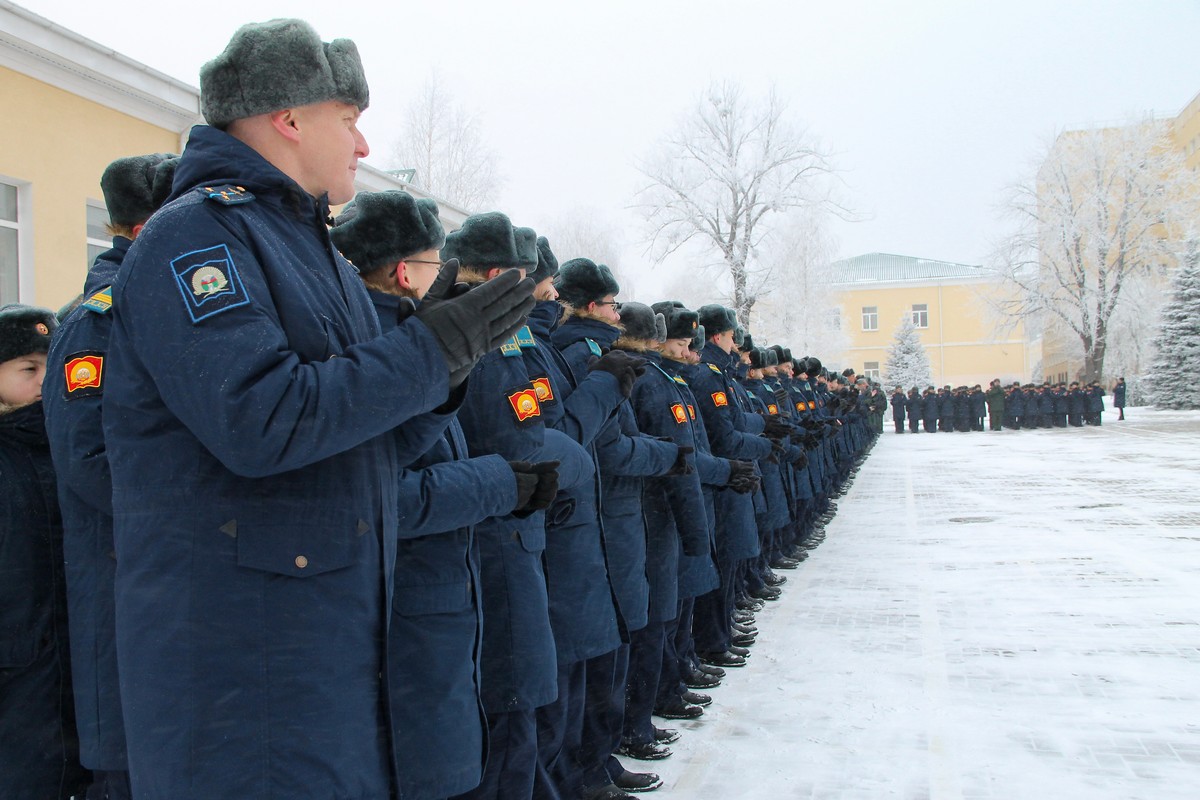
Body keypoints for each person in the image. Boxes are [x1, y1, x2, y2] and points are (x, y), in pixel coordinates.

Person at [100, 19, 534, 798]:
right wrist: (426, 351)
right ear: (289, 118)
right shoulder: (196, 238)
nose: (363, 146)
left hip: (322, 647)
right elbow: (261, 420)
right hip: (244, 670)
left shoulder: (313, 252)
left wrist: (448, 366)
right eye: (350, 119)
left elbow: (366, 442)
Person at [330, 191, 561, 800]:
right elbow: (374, 493)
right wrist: (498, 483)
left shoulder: (406, 340)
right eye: (436, 260)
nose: (446, 271)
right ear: (406, 272)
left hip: (439, 594)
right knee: (445, 768)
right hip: (409, 604)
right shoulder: (381, 350)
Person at [43, 152, 178, 800]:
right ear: (149, 229)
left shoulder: (154, 305)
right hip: (126, 578)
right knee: (131, 767)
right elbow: (89, 461)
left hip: (164, 578)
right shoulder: (100, 320)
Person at [0, 304, 91, 800]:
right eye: (27, 368)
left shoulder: (72, 445)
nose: (42, 382)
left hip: (73, 652)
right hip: (17, 664)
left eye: (50, 367)